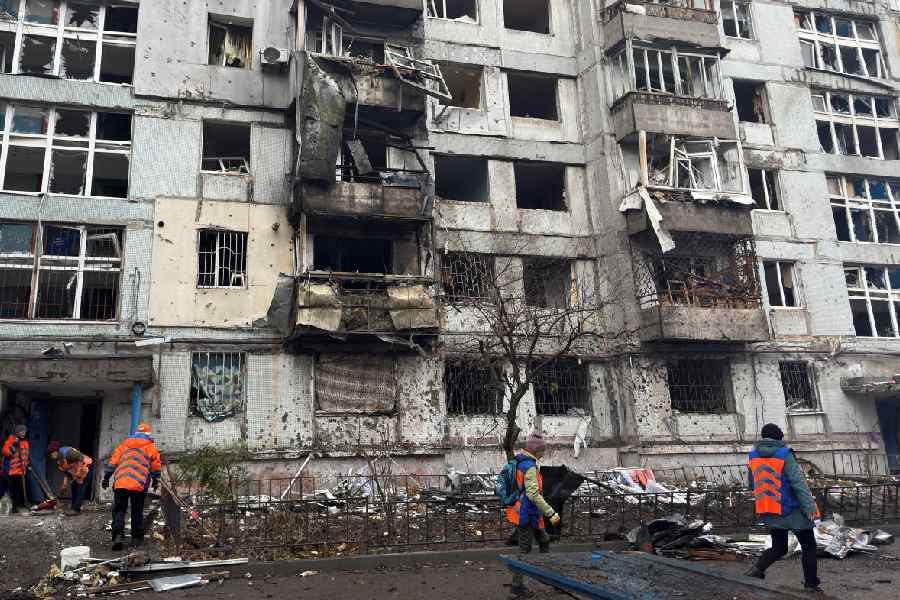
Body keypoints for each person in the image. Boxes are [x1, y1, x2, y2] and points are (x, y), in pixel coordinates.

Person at [745, 423, 821, 592]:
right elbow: (798, 483)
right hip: (792, 509)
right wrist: (809, 507)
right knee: (809, 546)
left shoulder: (753, 456)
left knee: (779, 547)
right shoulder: (784, 454)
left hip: (770, 508)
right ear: (779, 438)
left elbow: (752, 484)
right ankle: (811, 585)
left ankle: (756, 570)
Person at [506, 433, 561, 596]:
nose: (544, 453)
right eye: (543, 450)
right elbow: (533, 494)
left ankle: (549, 578)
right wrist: (550, 512)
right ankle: (516, 587)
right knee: (524, 549)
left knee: (544, 540)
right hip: (527, 514)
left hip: (529, 513)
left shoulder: (520, 462)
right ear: (537, 451)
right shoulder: (529, 467)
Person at [103, 423, 161, 550]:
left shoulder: (123, 445)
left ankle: (118, 535)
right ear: (147, 434)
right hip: (139, 485)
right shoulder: (150, 447)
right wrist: (156, 480)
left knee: (119, 510)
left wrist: (106, 478)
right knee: (137, 510)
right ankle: (136, 538)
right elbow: (156, 467)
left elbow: (112, 463)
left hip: (121, 483)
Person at [47, 441, 93, 516]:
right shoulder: (60, 459)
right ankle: (74, 507)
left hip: (86, 466)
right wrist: (64, 485)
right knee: (74, 486)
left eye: (51, 453)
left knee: (80, 487)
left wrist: (78, 473)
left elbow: (81, 458)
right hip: (79, 470)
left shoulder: (68, 453)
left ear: (55, 451)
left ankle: (76, 509)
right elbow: (66, 472)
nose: (50, 456)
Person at [2, 425, 30, 513]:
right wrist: (14, 444)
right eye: (21, 431)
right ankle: (14, 507)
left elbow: (26, 455)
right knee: (14, 490)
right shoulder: (11, 440)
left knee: (21, 489)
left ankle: (20, 505)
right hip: (13, 471)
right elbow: (6, 452)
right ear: (17, 432)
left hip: (22, 470)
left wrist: (27, 464)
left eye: (24, 431)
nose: (23, 433)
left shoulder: (25, 442)